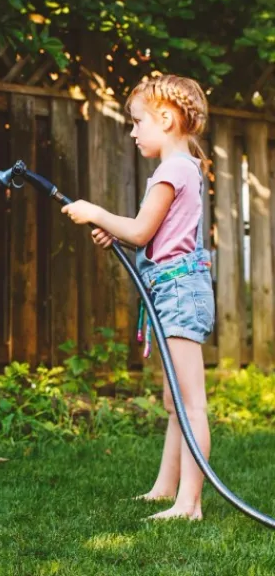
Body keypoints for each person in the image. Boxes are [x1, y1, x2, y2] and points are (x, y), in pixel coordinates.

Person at [61, 74, 215, 521]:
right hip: (171, 290)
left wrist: (98, 214)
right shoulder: (183, 167)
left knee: (191, 404)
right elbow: (155, 238)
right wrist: (117, 233)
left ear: (165, 119)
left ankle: (190, 504)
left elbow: (142, 230)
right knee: (175, 403)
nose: (132, 131)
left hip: (180, 293)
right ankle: (165, 489)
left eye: (137, 122)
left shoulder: (172, 170)